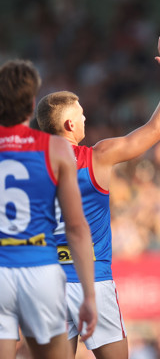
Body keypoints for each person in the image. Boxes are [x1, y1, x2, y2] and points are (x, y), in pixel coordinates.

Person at [34, 33, 160, 359]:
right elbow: (158, 128)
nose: (86, 118)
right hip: (91, 280)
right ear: (70, 124)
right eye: (82, 114)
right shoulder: (97, 157)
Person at [0, 59, 97, 359]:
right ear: (32, 105)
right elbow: (76, 227)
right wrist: (89, 295)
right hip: (39, 266)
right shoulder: (54, 149)